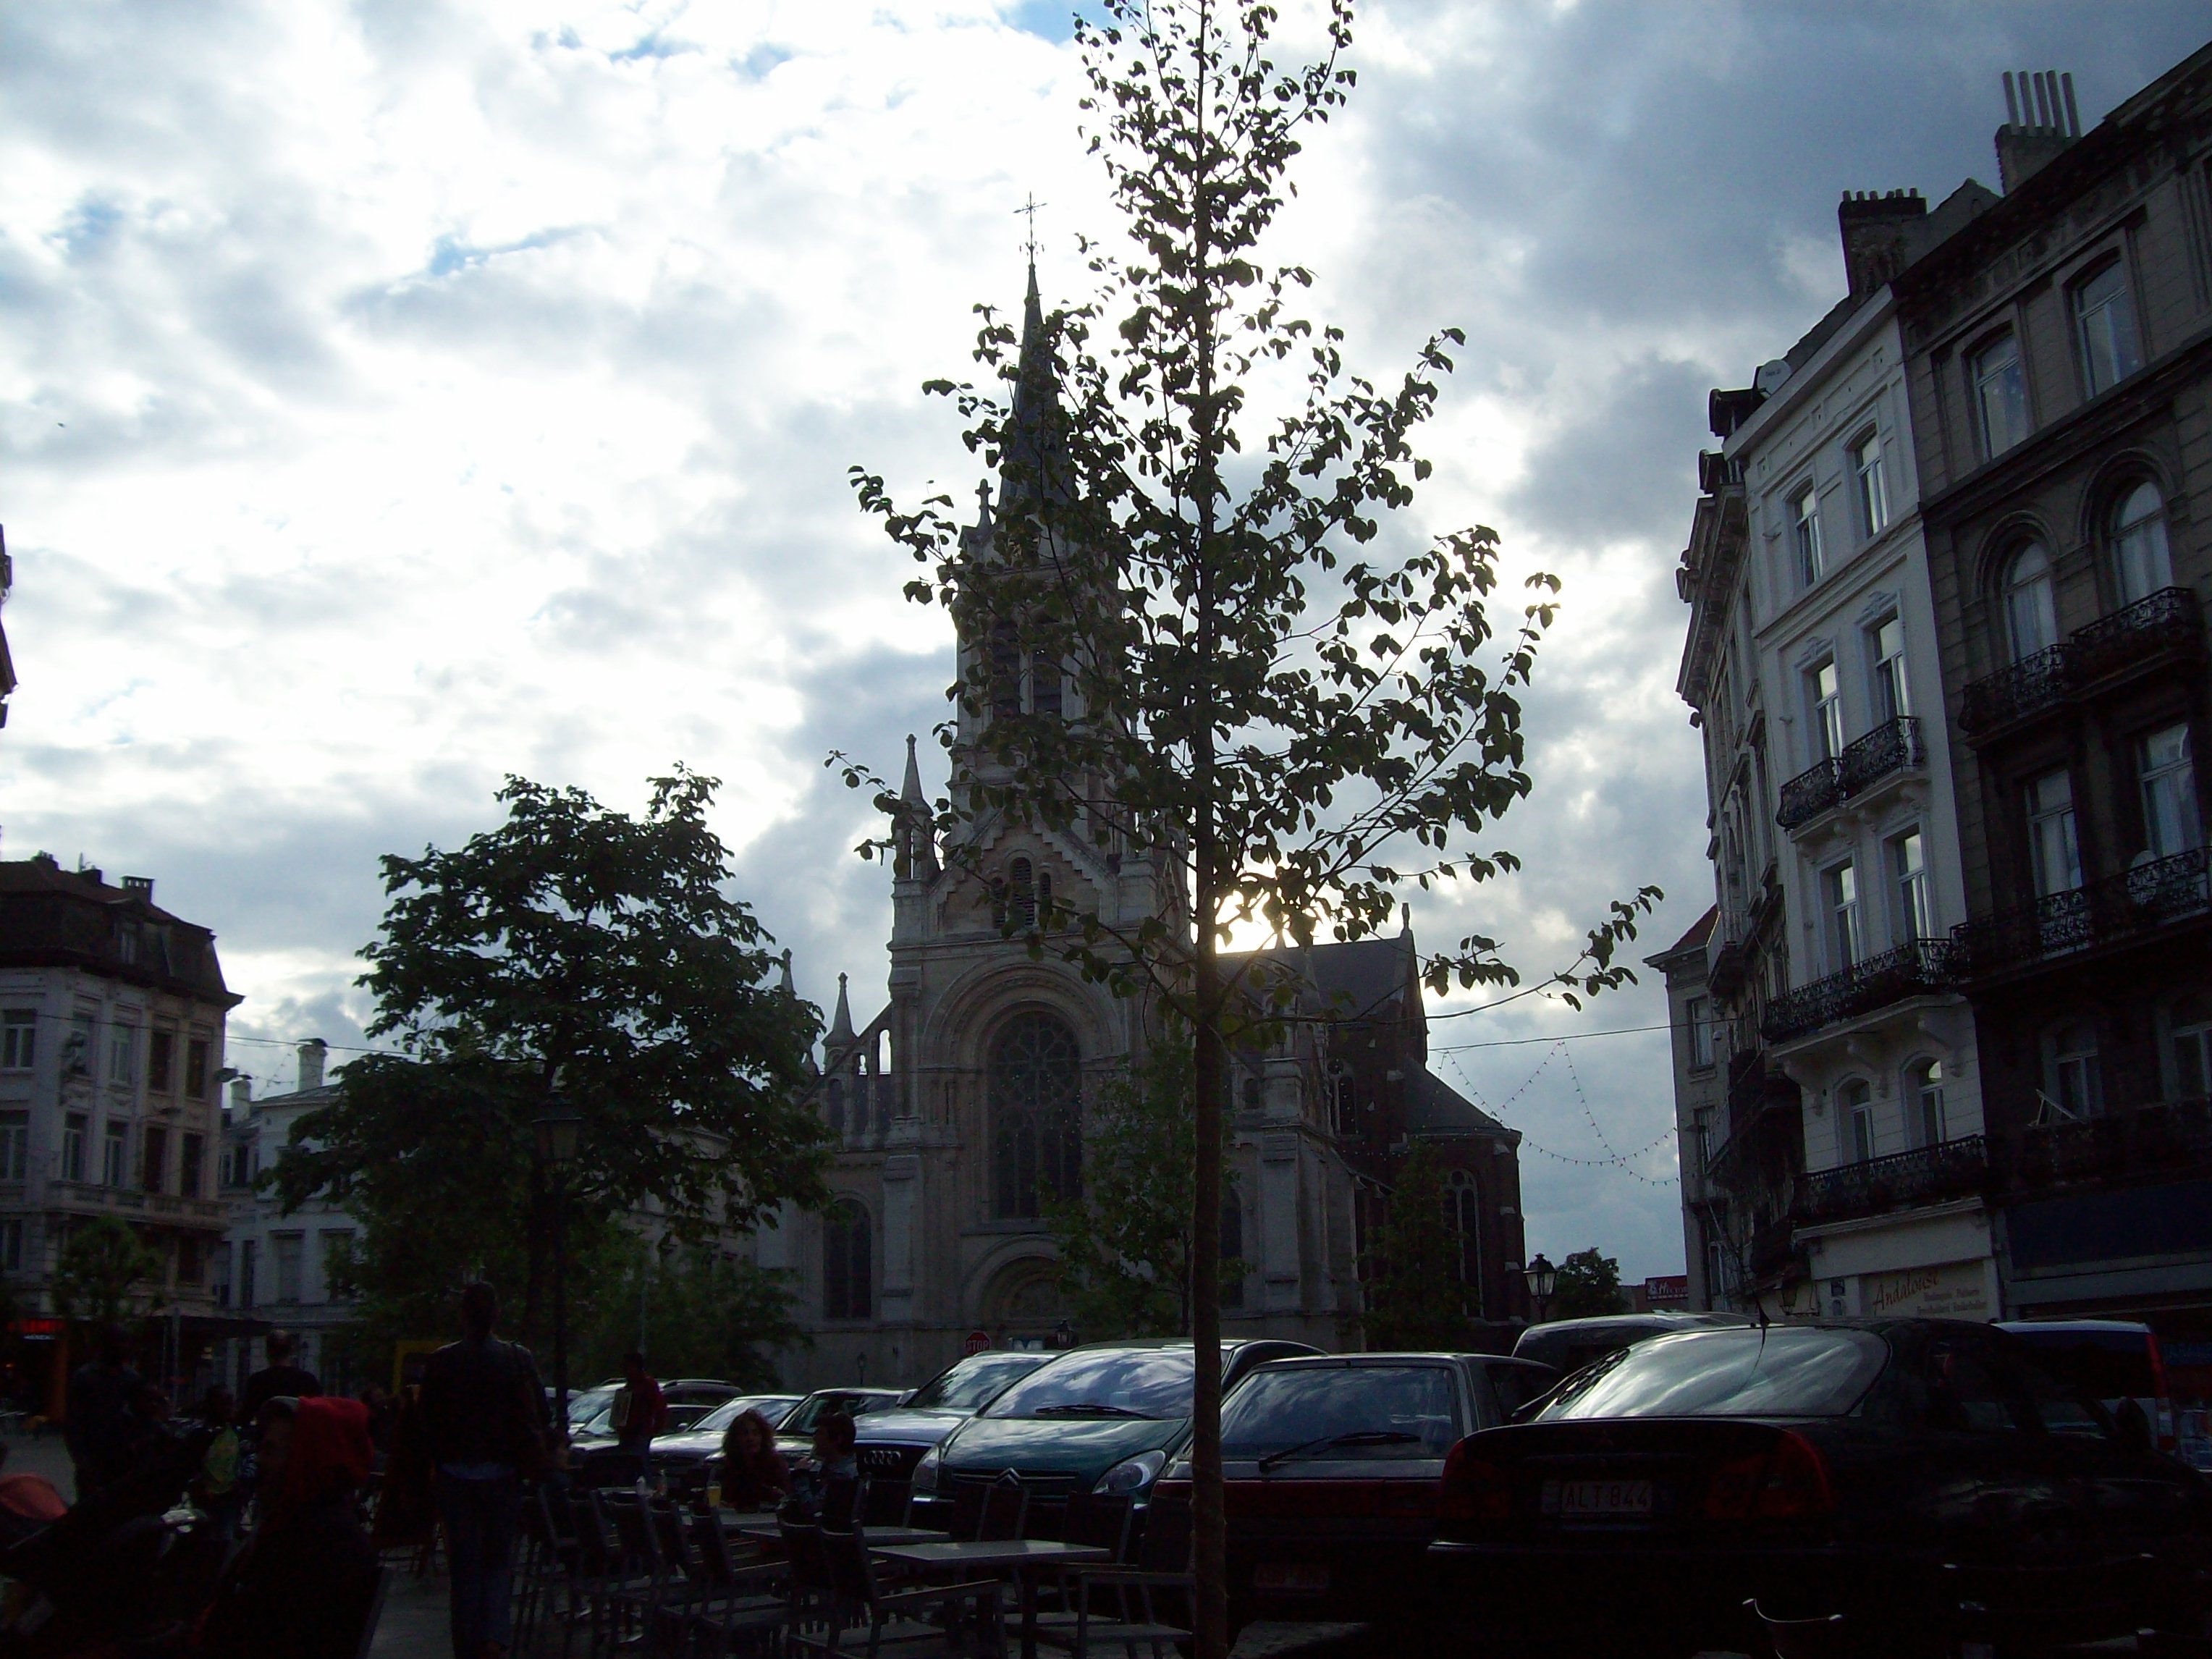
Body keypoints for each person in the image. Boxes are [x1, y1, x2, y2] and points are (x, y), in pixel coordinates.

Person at [195, 1396, 380, 1659]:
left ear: (308, 1458)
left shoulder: (315, 1542)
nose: (259, 1460)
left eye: (270, 1450)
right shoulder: (304, 1524)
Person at [420, 1282, 546, 1659]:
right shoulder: (516, 1359)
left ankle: (467, 1642)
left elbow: (426, 1420)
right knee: (498, 1560)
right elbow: (540, 1411)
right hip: (503, 1474)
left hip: (455, 1475)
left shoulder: (442, 1361)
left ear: (463, 1316)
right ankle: (493, 1636)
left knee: (465, 1565)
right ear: (496, 1316)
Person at [62, 1325, 142, 1497]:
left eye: (126, 1344)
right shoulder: (85, 1377)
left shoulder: (131, 1378)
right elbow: (73, 1421)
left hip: (123, 1458)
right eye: (118, 1344)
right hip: (94, 1455)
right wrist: (82, 1460)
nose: (123, 1348)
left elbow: (140, 1416)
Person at [237, 1330, 320, 1426]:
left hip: (267, 1436)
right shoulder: (307, 1380)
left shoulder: (258, 1381)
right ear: (291, 1351)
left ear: (267, 1351)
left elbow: (246, 1415)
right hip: (299, 1436)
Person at [193, 1387, 244, 1538]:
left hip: (230, 1494)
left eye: (231, 1404)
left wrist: (242, 1480)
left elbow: (246, 1457)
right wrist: (198, 1484)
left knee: (224, 1537)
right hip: (205, 1494)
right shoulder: (199, 1433)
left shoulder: (236, 1432)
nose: (229, 1409)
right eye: (224, 1404)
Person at [717, 1409, 789, 1511]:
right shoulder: (726, 1465)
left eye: (756, 1433)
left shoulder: (775, 1464)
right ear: (736, 1438)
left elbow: (784, 1495)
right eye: (745, 1434)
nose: (750, 1438)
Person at [612, 1350, 664, 1458]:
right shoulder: (628, 1388)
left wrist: (653, 1431)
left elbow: (660, 1409)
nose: (625, 1372)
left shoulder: (647, 1386)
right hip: (627, 1435)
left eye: (627, 1367)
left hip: (640, 1435)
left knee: (639, 1463)